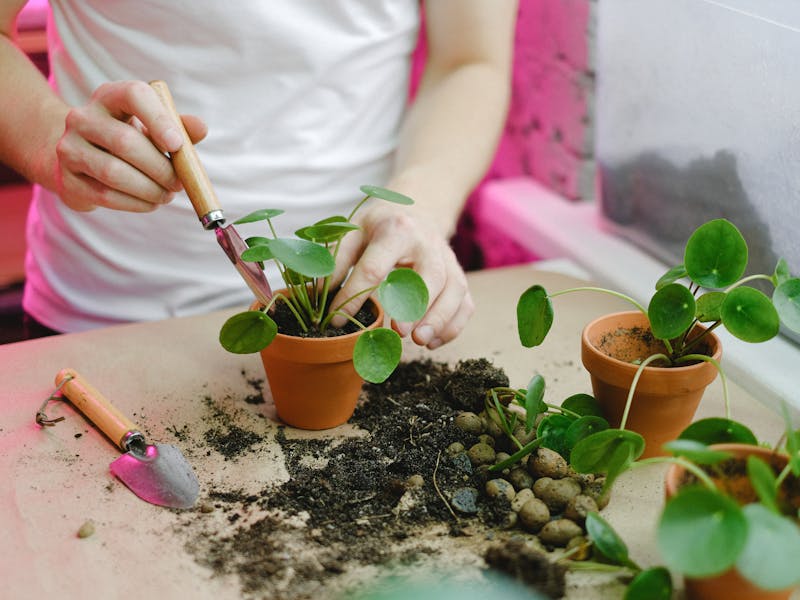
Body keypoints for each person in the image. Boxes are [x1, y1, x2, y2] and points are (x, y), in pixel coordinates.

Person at [0, 0, 517, 350]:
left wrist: (419, 206)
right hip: (106, 312)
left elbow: (470, 61)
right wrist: (50, 140)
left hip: (358, 307)